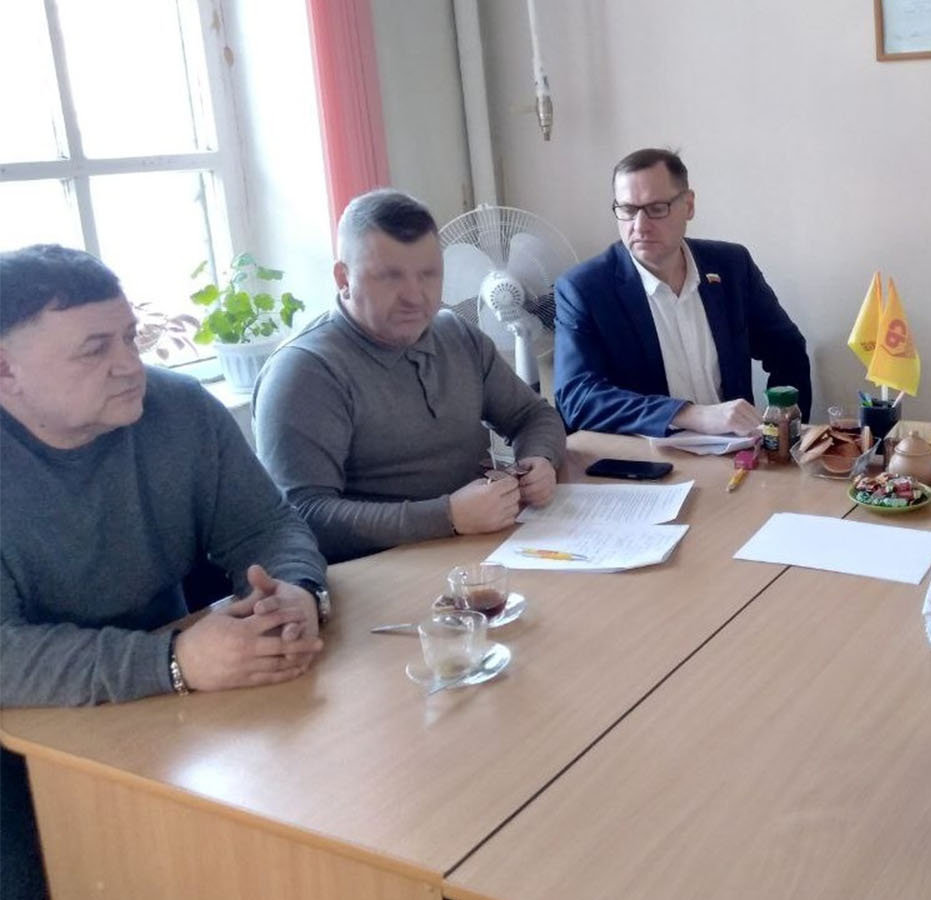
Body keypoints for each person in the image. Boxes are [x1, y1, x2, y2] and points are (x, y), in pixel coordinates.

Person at [0, 244, 329, 899]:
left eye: (130, 337)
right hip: (24, 735)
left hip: (165, 706)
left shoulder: (180, 410)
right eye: (94, 349)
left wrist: (296, 589)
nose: (130, 365)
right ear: (7, 371)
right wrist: (171, 663)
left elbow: (265, 526)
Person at [254, 189, 568, 563]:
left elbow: (533, 415)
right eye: (390, 277)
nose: (415, 297)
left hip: (480, 554)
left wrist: (539, 459)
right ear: (343, 277)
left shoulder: (457, 335)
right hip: (378, 571)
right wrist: (446, 516)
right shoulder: (304, 371)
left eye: (428, 275)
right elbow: (303, 516)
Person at [553, 148, 812, 436]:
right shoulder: (585, 289)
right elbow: (577, 398)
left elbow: (787, 349)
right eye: (627, 210)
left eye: (656, 208)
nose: (640, 226)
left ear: (688, 205)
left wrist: (783, 432)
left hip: (737, 450)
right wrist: (687, 414)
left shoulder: (731, 266)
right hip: (646, 454)